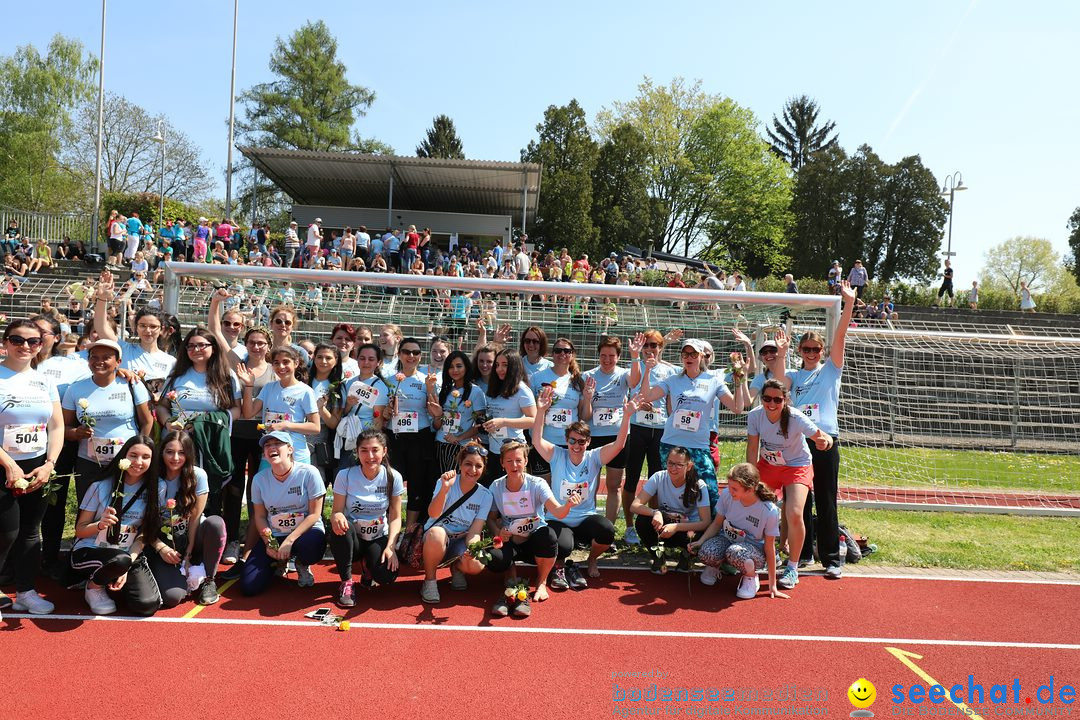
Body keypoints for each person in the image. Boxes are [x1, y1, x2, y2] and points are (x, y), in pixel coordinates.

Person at [781, 280, 855, 579]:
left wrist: (848, 304)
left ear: (822, 351)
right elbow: (775, 385)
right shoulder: (792, 375)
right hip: (800, 441)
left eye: (816, 349)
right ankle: (805, 551)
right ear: (800, 350)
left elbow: (841, 335)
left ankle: (831, 557)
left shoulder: (830, 369)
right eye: (807, 349)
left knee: (826, 497)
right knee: (800, 499)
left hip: (825, 440)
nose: (811, 353)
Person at [532, 386, 638, 589]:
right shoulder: (557, 454)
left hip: (585, 518)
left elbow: (619, 445)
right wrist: (541, 411)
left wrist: (626, 416)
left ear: (588, 442)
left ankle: (591, 559)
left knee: (607, 530)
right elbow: (536, 440)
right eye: (572, 440)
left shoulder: (594, 457)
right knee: (562, 546)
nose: (576, 445)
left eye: (581, 441)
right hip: (559, 518)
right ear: (566, 440)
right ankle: (561, 566)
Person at [0, 320, 65, 617]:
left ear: (41, 345)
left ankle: (26, 591)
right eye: (17, 340)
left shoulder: (44, 380)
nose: (25, 346)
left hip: (36, 466)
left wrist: (49, 464)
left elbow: (56, 424)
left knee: (30, 532)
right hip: (3, 466)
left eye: (33, 341)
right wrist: (8, 464)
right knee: (6, 532)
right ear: (5, 342)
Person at [637, 339, 747, 507]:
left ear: (702, 356)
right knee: (673, 491)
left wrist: (739, 380)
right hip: (671, 443)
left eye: (694, 354)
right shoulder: (673, 380)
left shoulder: (713, 381)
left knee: (710, 492)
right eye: (685, 354)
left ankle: (707, 531)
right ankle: (670, 526)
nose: (689, 358)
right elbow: (646, 396)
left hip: (698, 445)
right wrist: (647, 371)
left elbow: (737, 408)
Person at [746, 379, 833, 590]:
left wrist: (826, 442)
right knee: (750, 504)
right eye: (767, 398)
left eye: (777, 399)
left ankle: (792, 567)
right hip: (768, 464)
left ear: (785, 400)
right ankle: (756, 553)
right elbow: (752, 449)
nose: (771, 403)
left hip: (797, 466)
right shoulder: (755, 415)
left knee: (794, 513)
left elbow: (825, 438)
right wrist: (749, 479)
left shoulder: (795, 417)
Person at [69, 435, 163, 616]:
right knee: (119, 560)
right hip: (92, 548)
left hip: (128, 553)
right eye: (133, 455)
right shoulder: (100, 486)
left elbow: (145, 534)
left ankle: (113, 576)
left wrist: (128, 564)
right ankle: (93, 586)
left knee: (147, 605)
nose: (138, 462)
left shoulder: (157, 488)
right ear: (123, 457)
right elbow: (80, 530)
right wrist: (99, 524)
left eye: (146, 457)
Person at [485, 440, 579, 616]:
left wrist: (568, 506)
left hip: (535, 538)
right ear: (502, 463)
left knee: (549, 536)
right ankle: (511, 577)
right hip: (510, 539)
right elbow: (490, 519)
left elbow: (557, 512)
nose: (514, 465)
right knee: (495, 559)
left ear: (526, 461)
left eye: (518, 460)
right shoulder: (496, 486)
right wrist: (498, 532)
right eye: (509, 461)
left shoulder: (537, 484)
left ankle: (541, 582)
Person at [62, 339, 154, 502]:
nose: (99, 362)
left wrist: (139, 452)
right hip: (89, 462)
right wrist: (76, 433)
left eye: (106, 357)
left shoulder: (132, 384)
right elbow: (63, 428)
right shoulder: (75, 389)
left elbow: (147, 422)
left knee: (123, 509)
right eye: (94, 357)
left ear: (118, 361)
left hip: (126, 462)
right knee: (87, 510)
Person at [241, 432, 326, 595]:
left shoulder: (309, 473)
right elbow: (259, 516)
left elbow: (315, 514)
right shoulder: (259, 480)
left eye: (277, 444)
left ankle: (301, 562)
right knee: (248, 587)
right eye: (267, 445)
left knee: (312, 544)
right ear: (264, 454)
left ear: (290, 449)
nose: (271, 448)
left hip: (305, 534)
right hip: (275, 534)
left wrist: (290, 540)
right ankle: (278, 562)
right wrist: (269, 542)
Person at [150, 431, 227, 607]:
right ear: (161, 452)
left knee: (215, 523)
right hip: (164, 542)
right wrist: (161, 548)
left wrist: (188, 554)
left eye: (181, 452)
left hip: (192, 537)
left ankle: (209, 580)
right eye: (169, 452)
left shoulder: (198, 475)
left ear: (189, 454)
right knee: (172, 597)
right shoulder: (153, 477)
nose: (175, 458)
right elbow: (146, 521)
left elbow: (195, 518)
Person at [328, 429, 403, 607]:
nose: (370, 456)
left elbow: (395, 516)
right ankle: (346, 583)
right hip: (352, 538)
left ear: (384, 451)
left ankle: (368, 567)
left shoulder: (393, 477)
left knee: (386, 576)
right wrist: (337, 517)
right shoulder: (345, 475)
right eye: (364, 450)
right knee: (340, 528)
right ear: (357, 452)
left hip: (377, 537)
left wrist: (391, 547)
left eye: (375, 450)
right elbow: (336, 511)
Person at [688, 463, 785, 599]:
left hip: (752, 549)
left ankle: (750, 577)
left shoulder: (769, 511)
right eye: (729, 486)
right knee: (706, 552)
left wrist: (772, 584)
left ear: (750, 490)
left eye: (735, 488)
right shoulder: (728, 495)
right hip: (727, 538)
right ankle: (715, 566)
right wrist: (700, 541)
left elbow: (769, 547)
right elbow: (717, 523)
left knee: (735, 552)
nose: (729, 490)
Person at [622, 330, 678, 544]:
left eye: (654, 345)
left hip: (660, 430)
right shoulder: (635, 368)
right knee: (632, 479)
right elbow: (632, 394)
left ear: (660, 348)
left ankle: (654, 523)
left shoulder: (670, 371)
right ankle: (629, 526)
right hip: (637, 428)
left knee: (658, 480)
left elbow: (671, 400)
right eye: (646, 345)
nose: (649, 349)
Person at [420, 442, 493, 603]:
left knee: (477, 564)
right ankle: (430, 581)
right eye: (468, 464)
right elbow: (433, 513)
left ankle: (458, 567)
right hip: (436, 538)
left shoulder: (486, 495)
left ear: (483, 469)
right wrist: (445, 489)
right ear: (460, 464)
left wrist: (471, 550)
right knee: (437, 534)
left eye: (478, 466)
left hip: (460, 540)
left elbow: (475, 531)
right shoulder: (446, 482)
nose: (473, 470)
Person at [629, 446, 713, 573]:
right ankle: (658, 556)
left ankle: (687, 555)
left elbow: (706, 522)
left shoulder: (699, 485)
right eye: (670, 463)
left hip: (687, 530)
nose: (673, 468)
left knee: (702, 537)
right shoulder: (659, 477)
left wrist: (677, 527)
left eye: (679, 465)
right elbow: (634, 506)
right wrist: (655, 512)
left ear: (689, 466)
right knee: (642, 521)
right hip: (665, 525)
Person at [384, 337, 437, 529]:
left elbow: (435, 411)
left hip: (419, 437)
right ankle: (393, 528)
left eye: (416, 353)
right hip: (394, 437)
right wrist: (386, 412)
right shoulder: (389, 381)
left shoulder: (427, 381)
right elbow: (382, 412)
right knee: (393, 485)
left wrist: (431, 391)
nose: (411, 356)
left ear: (421, 356)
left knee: (416, 485)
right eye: (407, 352)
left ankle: (409, 532)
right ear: (399, 354)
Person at [239, 345, 319, 466]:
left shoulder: (305, 391)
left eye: (286, 362)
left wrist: (285, 425)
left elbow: (315, 427)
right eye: (276, 363)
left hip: (296, 455)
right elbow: (248, 413)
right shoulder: (268, 388)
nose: (281, 367)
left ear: (296, 363)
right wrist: (249, 385)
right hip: (271, 455)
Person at [583, 336, 632, 527]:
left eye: (611, 356)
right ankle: (589, 526)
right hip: (593, 436)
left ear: (618, 357)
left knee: (614, 485)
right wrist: (587, 398)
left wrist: (635, 356)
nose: (607, 360)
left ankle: (608, 529)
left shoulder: (623, 375)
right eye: (603, 355)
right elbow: (585, 415)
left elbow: (635, 378)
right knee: (590, 485)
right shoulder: (588, 376)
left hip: (617, 437)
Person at [529, 338, 593, 477]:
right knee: (543, 487)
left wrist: (588, 399)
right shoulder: (537, 377)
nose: (562, 353)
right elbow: (531, 411)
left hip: (569, 444)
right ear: (553, 354)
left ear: (572, 354)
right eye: (558, 350)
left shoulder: (577, 380)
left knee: (565, 486)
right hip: (544, 441)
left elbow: (585, 416)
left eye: (567, 351)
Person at [430, 350, 487, 473]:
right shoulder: (445, 390)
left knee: (455, 484)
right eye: (451, 367)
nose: (455, 370)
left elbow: (479, 424)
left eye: (459, 366)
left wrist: (459, 437)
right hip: (440, 443)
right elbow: (436, 425)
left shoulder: (476, 392)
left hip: (461, 447)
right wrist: (438, 416)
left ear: (466, 367)